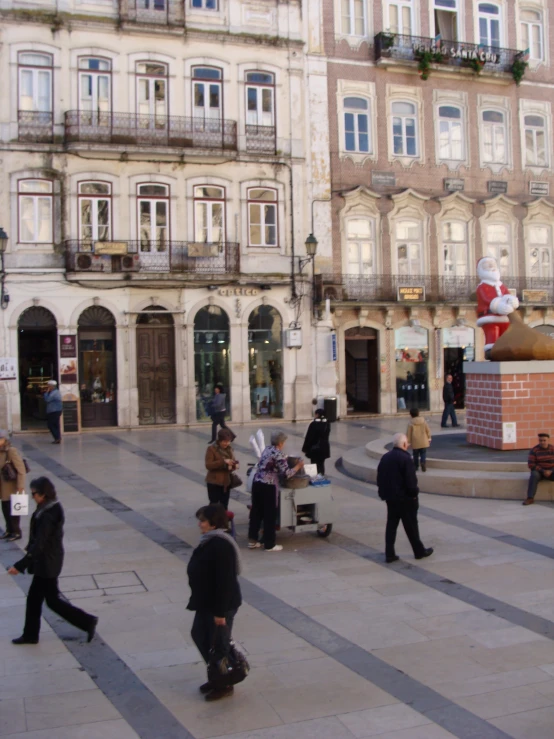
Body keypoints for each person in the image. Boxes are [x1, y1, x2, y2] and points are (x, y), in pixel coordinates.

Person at [7, 476, 98, 644]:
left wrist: (20, 565)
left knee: (49, 601)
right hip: (49, 561)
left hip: (47, 563)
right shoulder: (49, 507)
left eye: (33, 493)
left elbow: (40, 543)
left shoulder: (48, 513)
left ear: (43, 494)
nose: (31, 496)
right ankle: (31, 634)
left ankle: (86, 621)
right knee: (42, 600)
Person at [187, 504, 242, 702]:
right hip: (207, 602)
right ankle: (217, 675)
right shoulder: (210, 540)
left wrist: (220, 614)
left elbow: (225, 581)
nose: (199, 524)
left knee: (219, 644)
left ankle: (224, 682)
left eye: (202, 521)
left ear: (213, 523)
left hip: (220, 605)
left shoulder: (221, 545)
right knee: (200, 635)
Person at [377, 433, 433, 563]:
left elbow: (380, 477)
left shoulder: (385, 457)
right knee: (411, 526)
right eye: (407, 443)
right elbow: (411, 481)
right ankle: (419, 551)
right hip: (405, 498)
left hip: (390, 498)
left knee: (391, 525)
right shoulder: (406, 459)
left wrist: (383, 493)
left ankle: (389, 553)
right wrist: (414, 494)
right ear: (403, 444)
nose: (407, 445)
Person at [248, 431, 304, 552]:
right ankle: (269, 544)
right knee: (269, 515)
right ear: (280, 442)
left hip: (257, 482)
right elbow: (287, 473)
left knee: (256, 512)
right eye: (284, 442)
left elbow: (275, 460)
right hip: (268, 486)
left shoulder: (267, 449)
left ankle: (252, 541)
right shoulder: (278, 453)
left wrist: (286, 458)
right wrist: (298, 466)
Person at [476, 256, 519, 357]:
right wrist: (497, 305)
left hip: (503, 317)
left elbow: (506, 294)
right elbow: (487, 299)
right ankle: (491, 350)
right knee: (492, 333)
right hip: (489, 316)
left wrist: (511, 300)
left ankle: (505, 349)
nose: (491, 267)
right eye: (487, 265)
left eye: (493, 265)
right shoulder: (482, 287)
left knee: (505, 333)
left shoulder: (501, 285)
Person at [0, 430, 26, 542]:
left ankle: (16, 531)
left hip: (11, 486)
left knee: (13, 509)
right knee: (5, 508)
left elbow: (21, 469)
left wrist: (20, 486)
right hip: (2, 485)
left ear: (5, 439)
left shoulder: (11, 451)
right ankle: (9, 530)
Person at [205, 428, 238, 510]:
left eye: (228, 441)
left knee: (224, 505)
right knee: (214, 505)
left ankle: (223, 521)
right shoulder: (211, 449)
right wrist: (223, 462)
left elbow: (231, 461)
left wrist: (233, 465)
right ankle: (212, 521)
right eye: (224, 441)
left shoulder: (229, 449)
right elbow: (208, 465)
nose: (227, 443)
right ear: (219, 440)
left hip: (226, 482)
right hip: (214, 482)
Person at [523, 432, 554, 506]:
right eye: (540, 440)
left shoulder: (553, 449)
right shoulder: (534, 450)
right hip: (540, 472)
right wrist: (543, 471)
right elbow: (531, 464)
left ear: (548, 440)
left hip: (551, 471)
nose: (542, 442)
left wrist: (551, 470)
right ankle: (530, 498)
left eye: (544, 440)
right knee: (534, 475)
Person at [302, 408, 331, 475]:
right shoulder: (327, 423)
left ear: (317, 414)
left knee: (314, 464)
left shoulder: (313, 424)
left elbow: (309, 438)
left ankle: (315, 478)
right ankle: (321, 476)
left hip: (315, 448)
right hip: (324, 447)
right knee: (321, 464)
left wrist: (305, 448)